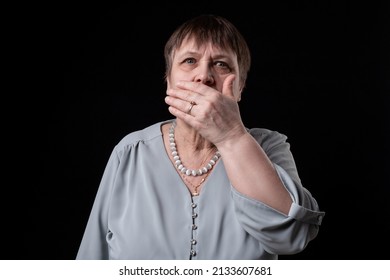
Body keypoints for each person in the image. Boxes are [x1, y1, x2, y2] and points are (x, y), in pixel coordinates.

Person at [76, 14, 325, 260]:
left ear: (240, 87)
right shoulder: (130, 151)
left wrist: (231, 136)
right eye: (189, 61)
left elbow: (292, 236)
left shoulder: (270, 146)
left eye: (221, 64)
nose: (203, 76)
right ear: (168, 81)